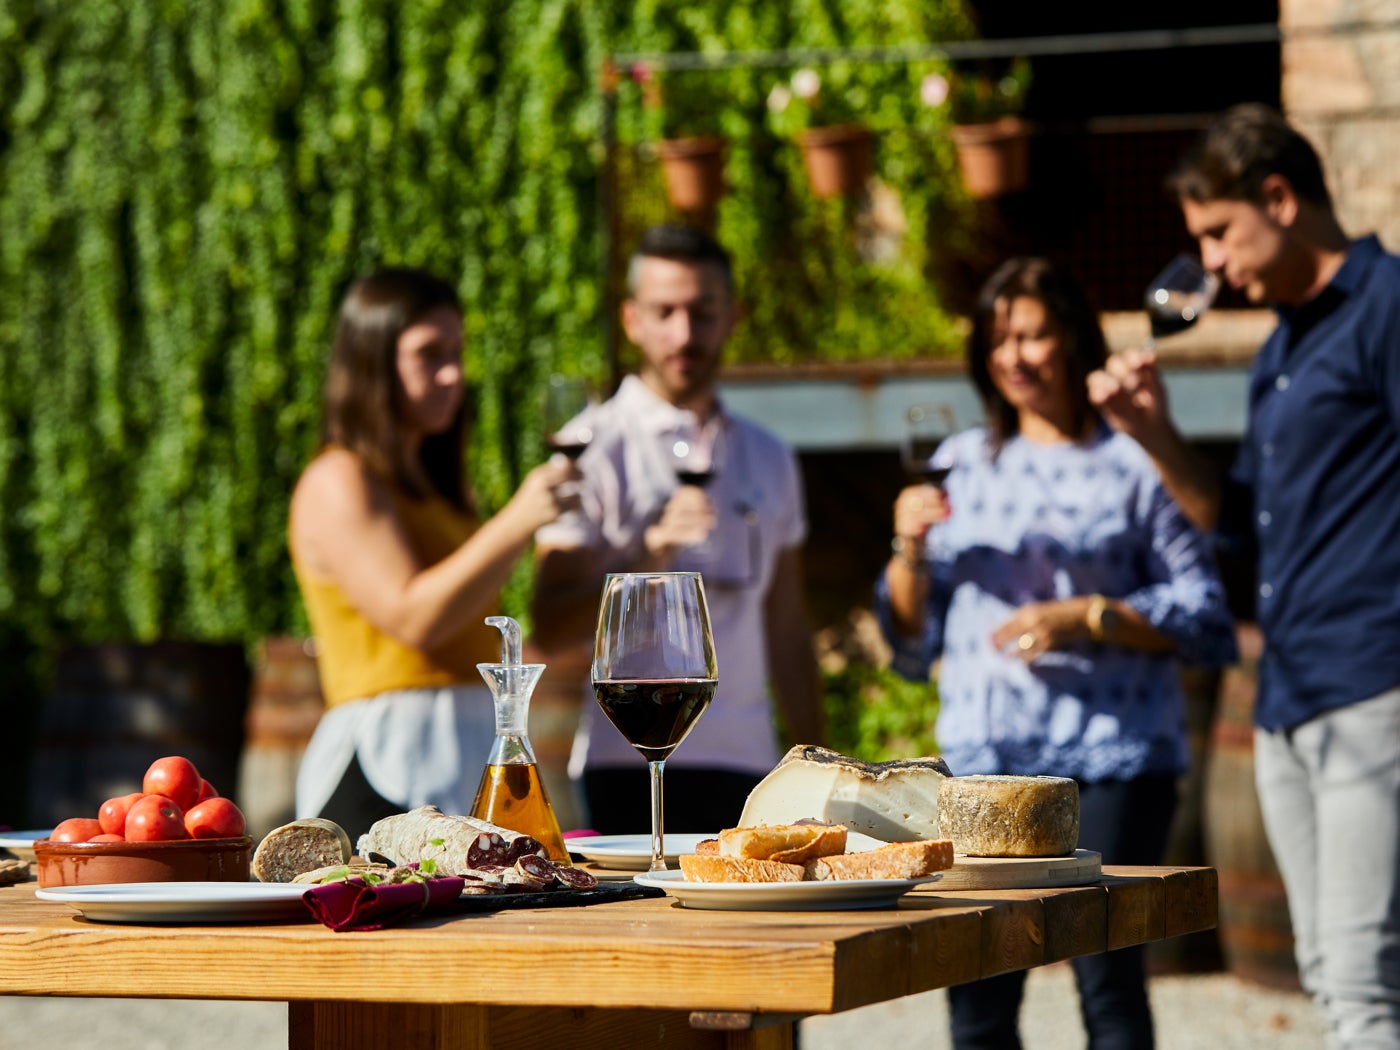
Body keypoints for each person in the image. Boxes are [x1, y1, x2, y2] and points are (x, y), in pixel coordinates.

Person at [1089, 103, 1400, 1050]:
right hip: (1285, 700)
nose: (1212, 265)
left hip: (1372, 689)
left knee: (1359, 985)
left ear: (1280, 196)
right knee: (1326, 973)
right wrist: (1154, 435)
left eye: (1219, 235)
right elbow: (1240, 535)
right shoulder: (1279, 353)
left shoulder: (1387, 309)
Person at [877, 256, 1237, 1050]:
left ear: (1074, 341)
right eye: (1000, 339)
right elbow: (910, 636)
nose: (1015, 356)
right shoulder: (962, 464)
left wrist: (1090, 615)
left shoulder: (1135, 460)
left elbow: (1207, 616)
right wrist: (907, 549)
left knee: (1107, 982)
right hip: (981, 765)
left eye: (1034, 336)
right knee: (975, 988)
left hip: (1112, 759)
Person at [531, 223, 825, 833]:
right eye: (665, 312)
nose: (684, 333)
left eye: (702, 311)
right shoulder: (591, 450)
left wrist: (820, 767)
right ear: (632, 319)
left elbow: (789, 626)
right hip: (629, 761)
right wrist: (647, 557)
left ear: (733, 317)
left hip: (751, 765)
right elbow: (550, 628)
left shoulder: (770, 455)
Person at [288, 267, 579, 841]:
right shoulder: (338, 477)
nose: (454, 373)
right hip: (387, 754)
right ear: (372, 360)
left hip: (468, 744)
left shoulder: (435, 487)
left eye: (458, 351)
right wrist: (518, 519)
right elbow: (414, 618)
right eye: (429, 354)